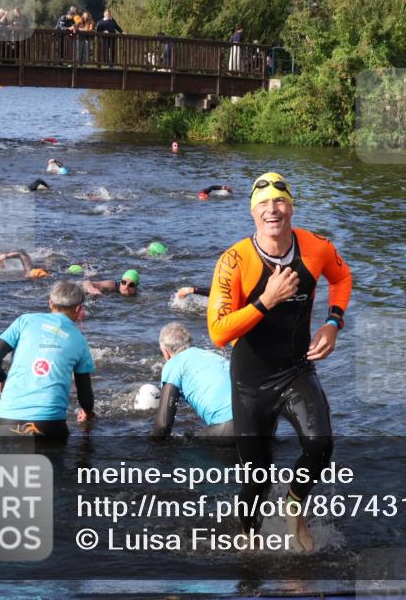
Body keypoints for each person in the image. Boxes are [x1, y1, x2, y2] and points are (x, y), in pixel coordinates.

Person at [207, 171, 352, 551]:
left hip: (296, 369)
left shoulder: (316, 247)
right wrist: (265, 301)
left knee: (320, 444)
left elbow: (342, 277)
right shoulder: (234, 261)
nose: (273, 210)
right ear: (253, 213)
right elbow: (219, 332)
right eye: (264, 205)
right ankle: (249, 543)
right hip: (250, 382)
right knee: (256, 477)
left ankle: (294, 504)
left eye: (280, 202)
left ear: (291, 207)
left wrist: (333, 322)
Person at [0, 281, 95, 436]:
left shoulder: (25, 321)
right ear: (78, 309)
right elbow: (84, 392)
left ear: (50, 303)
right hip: (49, 425)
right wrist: (88, 412)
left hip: (8, 419)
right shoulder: (80, 341)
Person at [151, 322, 234, 439]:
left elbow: (163, 426)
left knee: (186, 446)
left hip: (229, 426)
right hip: (260, 418)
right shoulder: (211, 355)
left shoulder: (173, 364)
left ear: (165, 352)